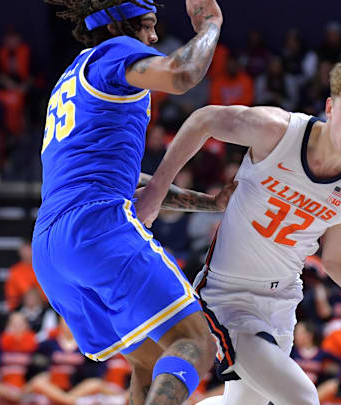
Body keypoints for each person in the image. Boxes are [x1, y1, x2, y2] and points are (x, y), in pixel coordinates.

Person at [137, 54, 341, 405]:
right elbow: (203, 120)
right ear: (330, 107)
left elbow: (339, 262)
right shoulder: (277, 131)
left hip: (282, 302)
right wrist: (159, 189)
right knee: (301, 397)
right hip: (227, 295)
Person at [32, 1, 224, 404]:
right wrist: (210, 25)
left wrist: (212, 203)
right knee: (196, 344)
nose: (154, 38)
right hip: (95, 231)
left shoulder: (71, 77)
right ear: (119, 24)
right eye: (149, 26)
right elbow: (183, 73)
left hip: (50, 249)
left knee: (150, 361)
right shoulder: (115, 52)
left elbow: (120, 178)